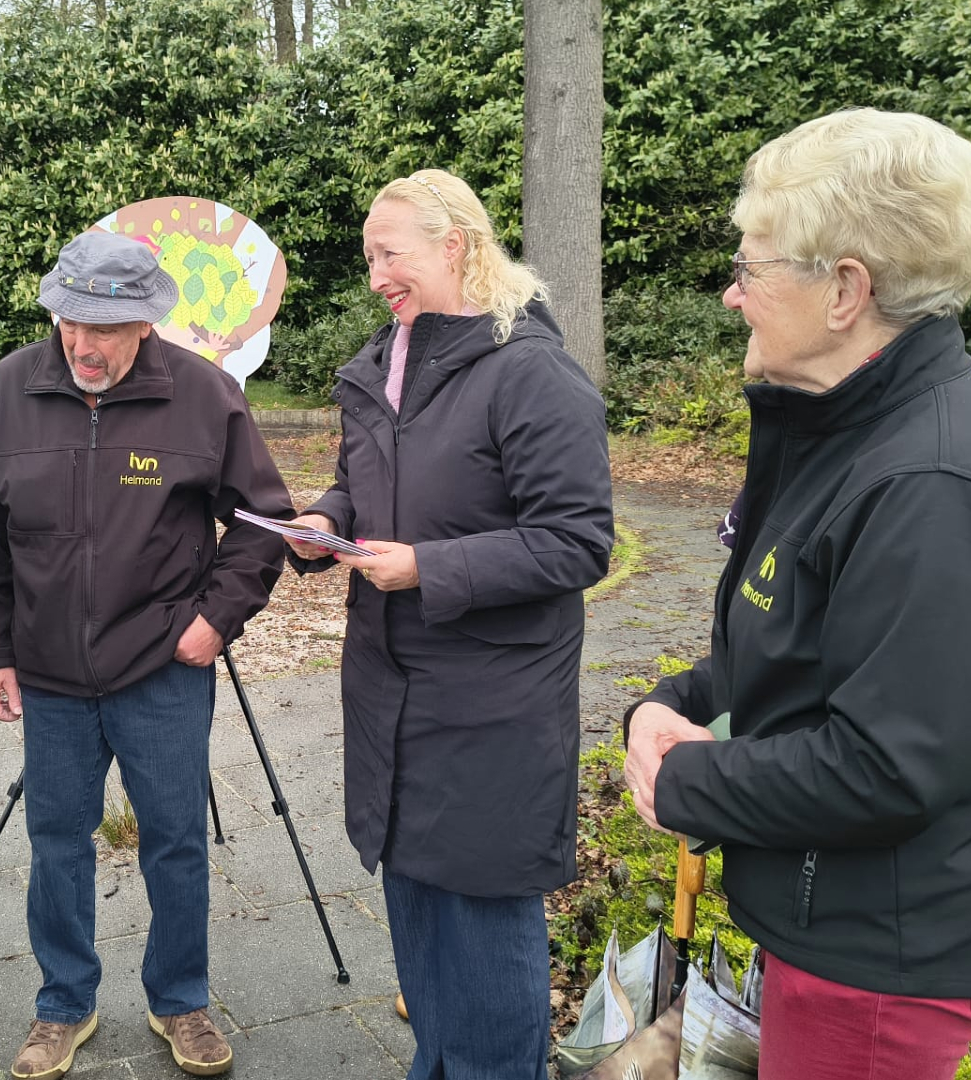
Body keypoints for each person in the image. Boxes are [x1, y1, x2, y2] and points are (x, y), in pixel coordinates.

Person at [622, 108, 971, 1080]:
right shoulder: (849, 429)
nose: (731, 296)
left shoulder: (935, 486)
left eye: (749, 267)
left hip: (884, 965)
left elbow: (888, 766)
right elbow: (803, 636)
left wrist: (688, 781)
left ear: (845, 290)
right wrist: (675, 705)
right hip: (844, 920)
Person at [283, 168, 614, 1080]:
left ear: (455, 246)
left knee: (484, 918)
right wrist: (324, 519)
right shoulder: (381, 367)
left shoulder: (530, 372)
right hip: (391, 687)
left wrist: (429, 567)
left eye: (390, 254)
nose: (377, 275)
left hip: (491, 701)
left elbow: (579, 542)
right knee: (417, 903)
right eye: (369, 259)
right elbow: (370, 484)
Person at [0, 230, 292, 1079]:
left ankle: (181, 999)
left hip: (162, 668)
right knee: (56, 839)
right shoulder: (10, 389)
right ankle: (63, 1003)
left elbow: (261, 526)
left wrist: (216, 620)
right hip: (49, 674)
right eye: (69, 320)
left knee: (175, 839)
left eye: (104, 327)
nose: (82, 343)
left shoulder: (205, 396)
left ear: (147, 322)